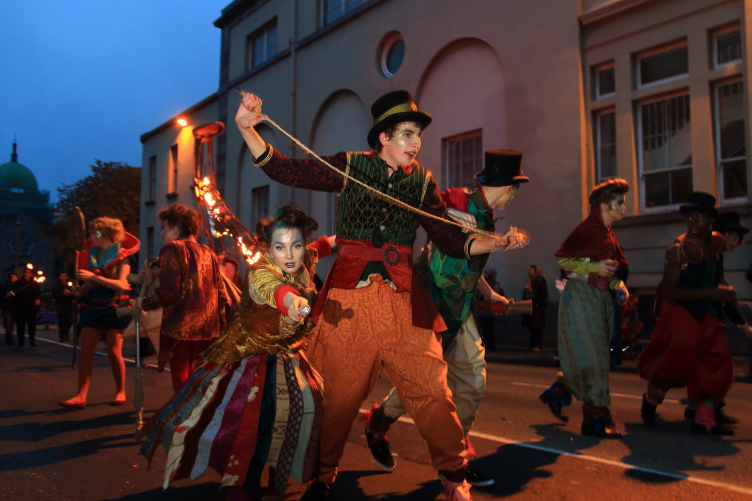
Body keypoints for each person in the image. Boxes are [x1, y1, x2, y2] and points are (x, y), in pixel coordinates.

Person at [236, 90, 523, 501]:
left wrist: (496, 243)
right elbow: (287, 170)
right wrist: (248, 129)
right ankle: (321, 474)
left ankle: (453, 475)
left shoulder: (423, 182)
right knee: (337, 395)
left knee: (431, 387)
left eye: (418, 135)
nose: (416, 143)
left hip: (403, 300)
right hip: (347, 300)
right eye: (407, 134)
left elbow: (448, 239)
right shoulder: (351, 166)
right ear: (384, 137)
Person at [140, 206, 331, 500]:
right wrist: (298, 303)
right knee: (251, 422)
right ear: (269, 247)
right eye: (282, 245)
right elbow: (277, 291)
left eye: (297, 244)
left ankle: (277, 481)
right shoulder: (260, 271)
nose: (290, 253)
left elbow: (323, 245)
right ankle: (243, 485)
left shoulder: (304, 257)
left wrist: (347, 237)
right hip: (251, 361)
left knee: (299, 410)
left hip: (289, 356)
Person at [362, 149, 527, 488]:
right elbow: (458, 244)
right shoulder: (455, 200)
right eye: (516, 188)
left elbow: (470, 260)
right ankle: (377, 422)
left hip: (462, 310)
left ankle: (455, 460)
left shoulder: (489, 215)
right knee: (422, 387)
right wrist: (500, 242)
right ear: (508, 186)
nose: (515, 195)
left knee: (471, 384)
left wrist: (488, 292)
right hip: (432, 304)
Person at [638, 193, 737, 435]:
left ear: (711, 220)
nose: (693, 222)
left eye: (700, 217)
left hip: (704, 313)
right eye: (690, 217)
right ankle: (651, 399)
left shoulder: (715, 241)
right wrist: (713, 292)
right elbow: (670, 291)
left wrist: (734, 241)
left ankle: (703, 418)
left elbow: (727, 245)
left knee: (716, 361)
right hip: (681, 312)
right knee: (676, 363)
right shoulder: (678, 251)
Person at [539, 179, 630, 438]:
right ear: (604, 205)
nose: (624, 207)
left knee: (595, 356)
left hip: (599, 297)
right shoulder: (589, 229)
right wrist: (595, 270)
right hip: (581, 296)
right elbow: (566, 263)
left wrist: (617, 283)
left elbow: (608, 268)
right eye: (620, 202)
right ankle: (594, 418)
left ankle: (559, 392)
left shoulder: (606, 232)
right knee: (593, 358)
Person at [140, 204, 228, 394]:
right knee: (193, 373)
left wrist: (145, 303)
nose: (161, 234)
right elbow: (221, 292)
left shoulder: (172, 248)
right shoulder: (208, 252)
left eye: (164, 228)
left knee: (180, 372)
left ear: (175, 228)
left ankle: (185, 417)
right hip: (207, 327)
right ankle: (193, 416)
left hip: (182, 324)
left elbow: (170, 292)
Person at [58, 217, 139, 409]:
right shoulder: (92, 255)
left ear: (108, 234)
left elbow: (121, 284)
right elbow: (88, 285)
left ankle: (121, 391)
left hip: (114, 306)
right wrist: (78, 291)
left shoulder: (123, 256)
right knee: (85, 352)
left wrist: (94, 276)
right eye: (92, 232)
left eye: (96, 232)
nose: (92, 236)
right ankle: (80, 396)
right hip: (93, 305)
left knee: (113, 351)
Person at [10, 267, 42, 350]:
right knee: (20, 325)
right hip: (20, 306)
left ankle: (32, 341)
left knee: (31, 325)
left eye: (28, 273)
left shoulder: (34, 284)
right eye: (25, 272)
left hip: (31, 307)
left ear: (31, 274)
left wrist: (38, 299)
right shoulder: (18, 283)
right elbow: (11, 290)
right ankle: (21, 343)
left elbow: (38, 294)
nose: (26, 274)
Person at [477, 268, 504, 351]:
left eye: (488, 273)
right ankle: (484, 345)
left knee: (489, 329)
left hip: (490, 311)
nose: (486, 274)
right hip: (482, 310)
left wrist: (483, 295)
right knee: (482, 329)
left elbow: (492, 296)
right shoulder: (484, 283)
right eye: (485, 273)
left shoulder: (495, 284)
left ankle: (491, 346)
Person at [522, 265, 548, 352]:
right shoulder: (529, 281)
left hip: (537, 307)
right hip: (530, 306)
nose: (529, 272)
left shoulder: (540, 280)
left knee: (537, 326)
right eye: (529, 270)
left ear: (536, 271)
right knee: (531, 326)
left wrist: (531, 290)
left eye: (531, 270)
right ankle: (532, 344)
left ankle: (538, 345)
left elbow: (542, 294)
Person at [52, 272, 75, 342]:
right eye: (62, 276)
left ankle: (66, 334)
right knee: (61, 321)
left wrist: (70, 294)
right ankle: (62, 336)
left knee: (69, 321)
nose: (63, 277)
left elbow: (74, 295)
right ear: (60, 277)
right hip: (60, 305)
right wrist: (62, 294)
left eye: (65, 276)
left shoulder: (70, 285)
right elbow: (55, 295)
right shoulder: (57, 285)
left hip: (68, 305)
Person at [1, 272, 18, 345]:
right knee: (8, 322)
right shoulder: (5, 286)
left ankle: (8, 337)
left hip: (14, 307)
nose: (14, 278)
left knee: (11, 324)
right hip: (6, 307)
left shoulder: (18, 286)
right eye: (12, 277)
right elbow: (1, 296)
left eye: (15, 277)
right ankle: (11, 338)